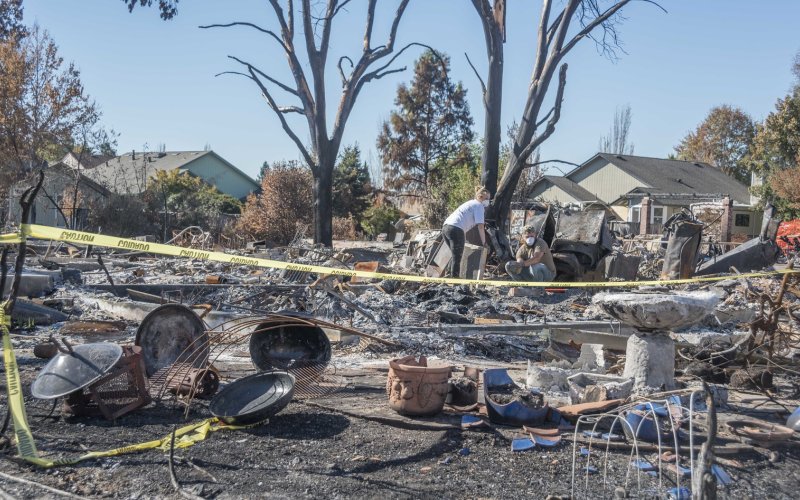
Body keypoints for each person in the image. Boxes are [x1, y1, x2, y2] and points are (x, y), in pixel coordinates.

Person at [441, 187, 490, 278]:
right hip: (456, 229)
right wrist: (484, 243)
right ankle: (455, 281)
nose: (488, 201)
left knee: (454, 255)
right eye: (486, 198)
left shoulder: (470, 203)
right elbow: (480, 227)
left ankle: (448, 277)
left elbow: (465, 221)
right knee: (457, 257)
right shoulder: (479, 205)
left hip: (446, 227)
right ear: (480, 197)